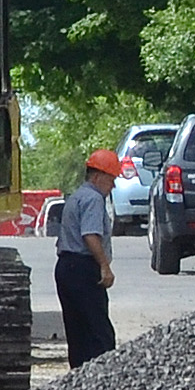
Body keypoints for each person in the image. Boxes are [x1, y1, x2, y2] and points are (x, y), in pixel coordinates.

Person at [57, 150, 122, 367]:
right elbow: (90, 235)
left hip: (66, 267)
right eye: (111, 180)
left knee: (77, 332)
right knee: (99, 334)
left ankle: (79, 379)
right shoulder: (94, 199)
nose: (112, 186)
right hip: (83, 268)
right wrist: (104, 266)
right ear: (97, 177)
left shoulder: (77, 196)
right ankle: (103, 380)